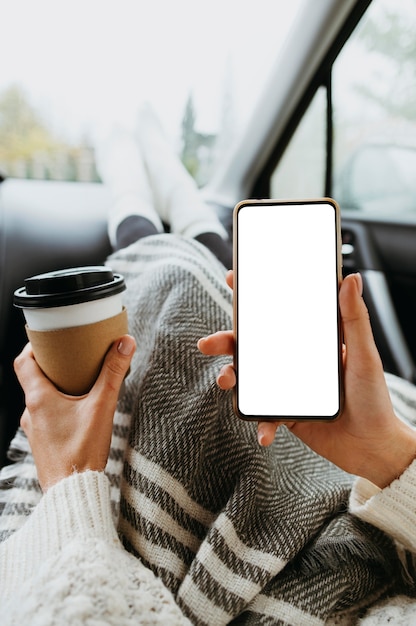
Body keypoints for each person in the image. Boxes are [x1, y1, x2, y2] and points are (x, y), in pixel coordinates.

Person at [1, 105, 416, 625]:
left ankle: (147, 201)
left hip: (215, 553)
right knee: (217, 290)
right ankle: (178, 201)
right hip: (375, 466)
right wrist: (392, 453)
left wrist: (68, 480)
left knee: (172, 290)